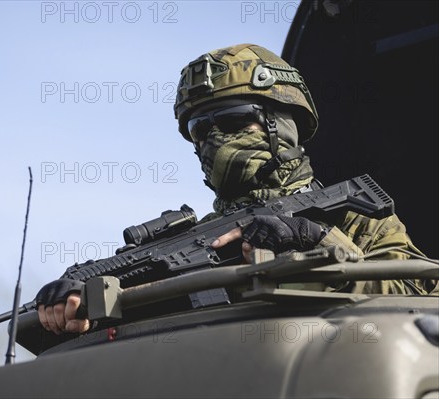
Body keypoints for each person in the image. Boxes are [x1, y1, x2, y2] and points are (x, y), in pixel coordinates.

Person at [35, 43, 436, 336]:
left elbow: (418, 295)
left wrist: (317, 244)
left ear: (283, 124)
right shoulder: (196, 240)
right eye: (199, 130)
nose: (211, 140)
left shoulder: (350, 217)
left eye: (231, 120)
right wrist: (79, 300)